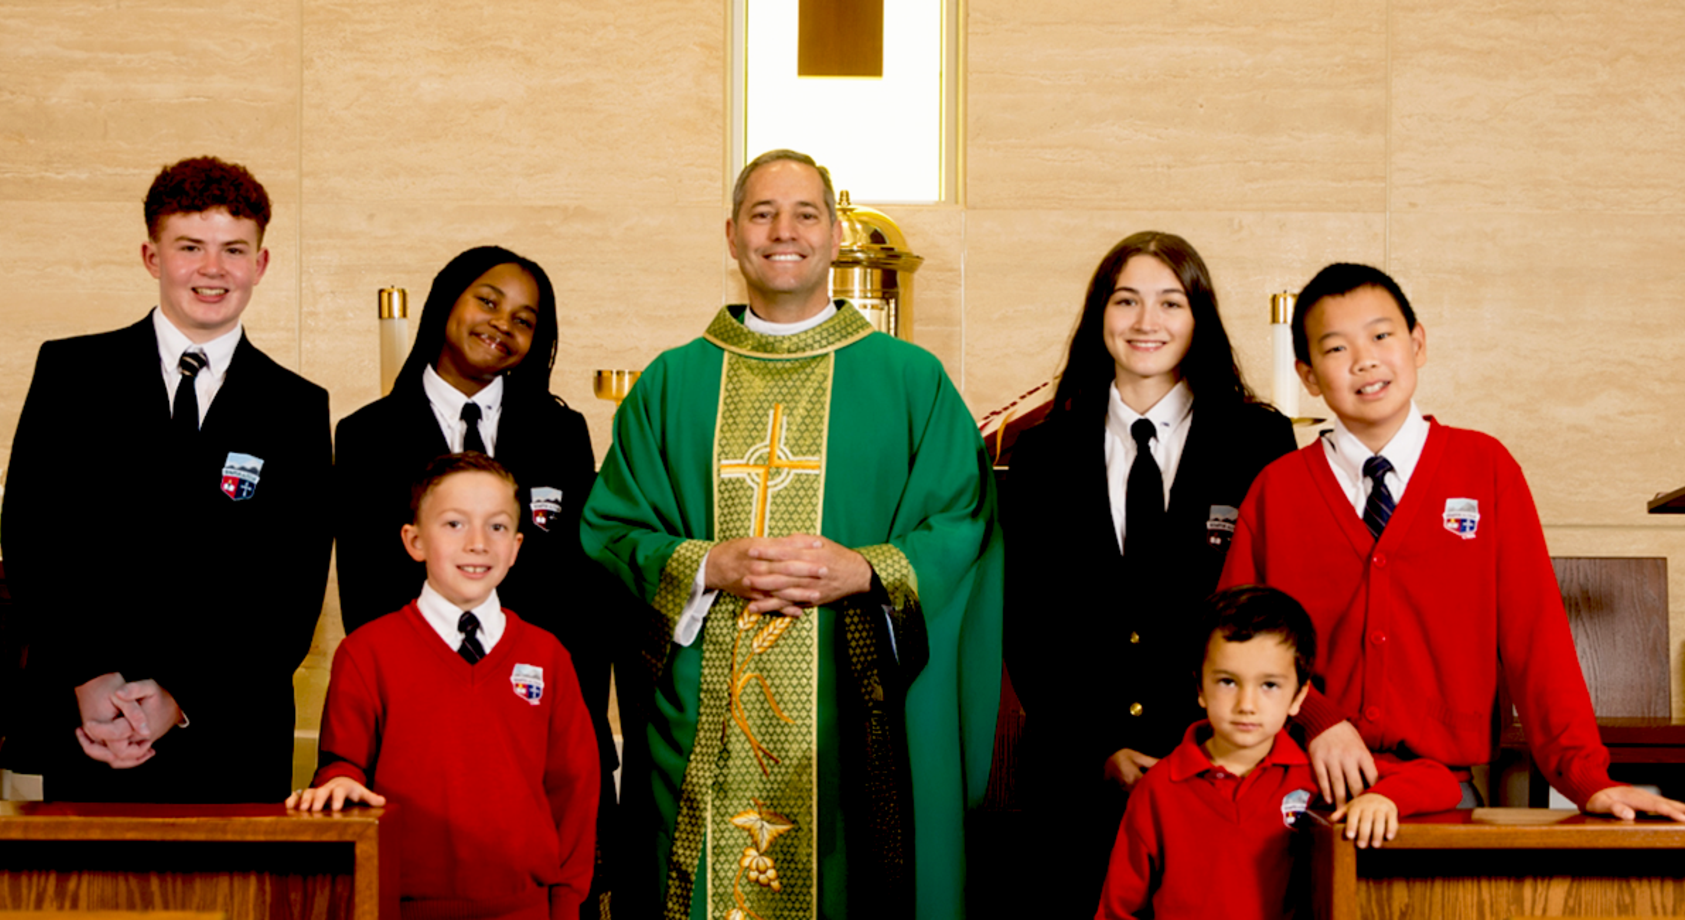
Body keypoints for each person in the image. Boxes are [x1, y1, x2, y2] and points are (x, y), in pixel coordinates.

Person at [580, 149, 1004, 920]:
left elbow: (962, 522)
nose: (784, 231)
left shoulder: (911, 380)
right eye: (762, 213)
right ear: (732, 235)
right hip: (703, 718)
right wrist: (706, 563)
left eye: (805, 213)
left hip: (857, 713)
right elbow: (611, 529)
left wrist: (867, 571)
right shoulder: (671, 382)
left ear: (834, 233)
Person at [1218, 262, 1685, 821]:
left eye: (1381, 335)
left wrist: (1586, 777)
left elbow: (1535, 637)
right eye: (1335, 348)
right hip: (1298, 789)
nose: (1365, 359)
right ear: (1307, 374)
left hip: (1441, 797)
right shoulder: (1277, 489)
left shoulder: (1485, 469)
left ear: (1417, 343)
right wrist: (1320, 722)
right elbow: (1235, 644)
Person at [2, 155, 331, 802]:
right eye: (190, 247)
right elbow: (35, 539)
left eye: (234, 250)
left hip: (230, 729)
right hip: (90, 722)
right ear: (153, 257)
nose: (213, 270)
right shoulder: (72, 374)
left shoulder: (296, 406)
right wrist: (92, 678)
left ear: (260, 265)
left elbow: (292, 589)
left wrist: (180, 697)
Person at [1002, 231, 1297, 914]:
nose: (1146, 322)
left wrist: (1200, 743)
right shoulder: (1041, 451)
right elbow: (1027, 621)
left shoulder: (1257, 440)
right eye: (1125, 300)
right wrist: (1099, 748)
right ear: (1097, 315)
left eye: (1170, 303)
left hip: (1218, 768)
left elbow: (1265, 608)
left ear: (1199, 320)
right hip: (1074, 777)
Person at [333, 245, 620, 906]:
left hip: (535, 734)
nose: (501, 324)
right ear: (446, 302)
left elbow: (579, 592)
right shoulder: (366, 435)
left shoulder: (560, 430)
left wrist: (576, 736)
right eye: (487, 300)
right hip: (421, 744)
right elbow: (369, 596)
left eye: (524, 319)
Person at [292, 452, 600, 920]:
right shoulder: (366, 652)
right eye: (455, 524)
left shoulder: (548, 656)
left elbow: (575, 792)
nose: (478, 543)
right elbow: (343, 766)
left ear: (516, 547)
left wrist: (566, 906)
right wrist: (336, 782)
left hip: (526, 910)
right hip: (400, 907)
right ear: (414, 541)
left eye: (496, 527)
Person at [1096, 585, 1457, 920]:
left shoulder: (1316, 775)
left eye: (1269, 685)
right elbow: (1117, 910)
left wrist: (1381, 799)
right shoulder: (1157, 789)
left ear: (1299, 697)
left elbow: (1441, 782)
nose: (1246, 704)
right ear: (1200, 688)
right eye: (1227, 682)